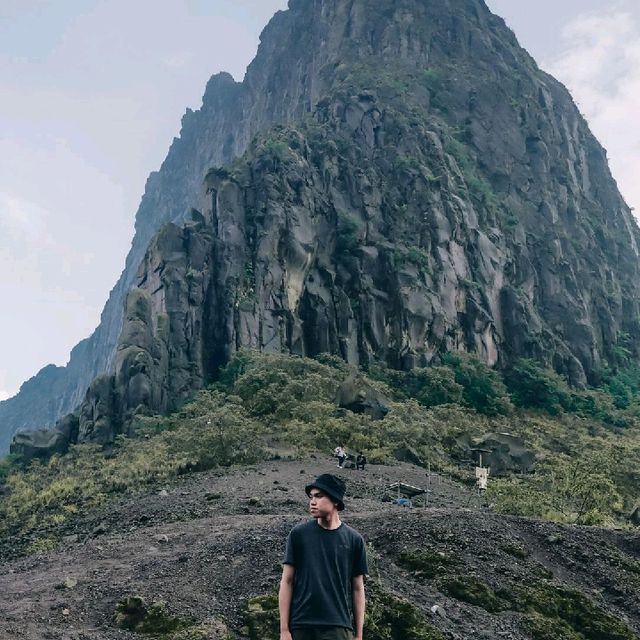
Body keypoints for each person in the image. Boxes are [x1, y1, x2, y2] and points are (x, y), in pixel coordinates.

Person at [279, 473, 368, 640]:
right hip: (301, 625)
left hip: (338, 628)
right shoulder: (298, 535)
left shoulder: (354, 540)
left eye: (319, 496)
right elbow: (287, 581)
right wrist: (284, 630)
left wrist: (359, 635)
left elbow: (358, 588)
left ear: (335, 501)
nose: (312, 502)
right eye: (311, 497)